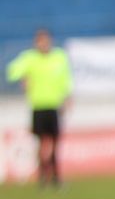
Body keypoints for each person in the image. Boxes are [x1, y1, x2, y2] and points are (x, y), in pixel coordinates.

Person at [6, 28, 73, 188]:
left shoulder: (59, 57)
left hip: (54, 106)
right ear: (36, 43)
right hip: (38, 106)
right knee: (43, 142)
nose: (43, 44)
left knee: (55, 142)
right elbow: (11, 72)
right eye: (40, 41)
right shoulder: (29, 58)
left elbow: (66, 79)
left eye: (46, 40)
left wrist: (67, 97)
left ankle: (55, 175)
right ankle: (44, 176)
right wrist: (23, 76)